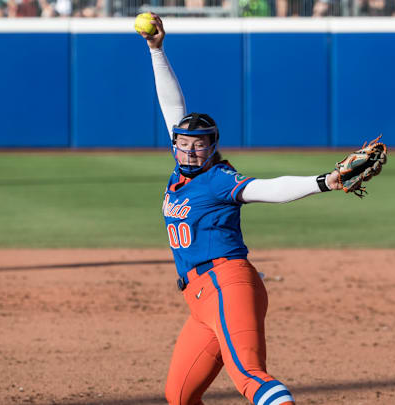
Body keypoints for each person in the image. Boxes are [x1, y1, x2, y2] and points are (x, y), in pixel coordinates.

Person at [140, 14, 348, 405]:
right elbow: (172, 105)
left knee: (250, 376)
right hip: (201, 296)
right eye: (183, 143)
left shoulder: (218, 178)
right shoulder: (181, 168)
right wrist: (156, 50)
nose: (189, 149)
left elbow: (269, 190)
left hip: (226, 285)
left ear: (212, 146)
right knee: (180, 394)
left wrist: (324, 181)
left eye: (199, 144)